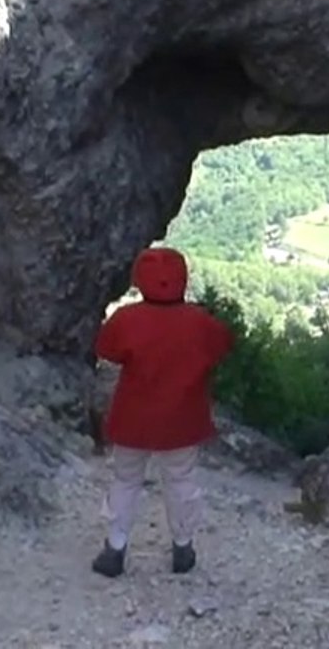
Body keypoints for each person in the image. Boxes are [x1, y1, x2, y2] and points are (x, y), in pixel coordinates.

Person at [91, 247, 234, 578]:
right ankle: (183, 547)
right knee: (181, 480)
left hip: (133, 419)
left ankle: (115, 549)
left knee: (126, 480)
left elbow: (107, 350)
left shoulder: (126, 320)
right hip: (182, 419)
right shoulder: (201, 323)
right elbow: (223, 345)